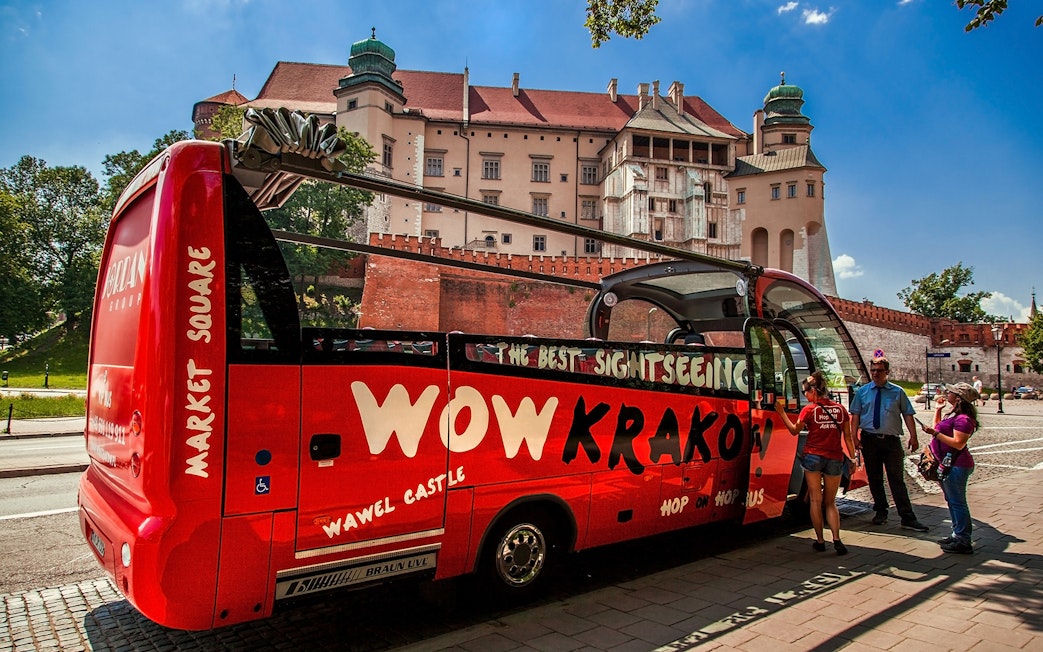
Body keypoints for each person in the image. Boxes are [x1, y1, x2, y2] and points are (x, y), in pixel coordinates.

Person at [775, 371, 859, 555]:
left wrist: (781, 413)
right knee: (830, 502)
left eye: (805, 392)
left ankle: (820, 541)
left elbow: (794, 431)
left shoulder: (809, 410)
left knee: (815, 499)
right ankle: (836, 539)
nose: (805, 395)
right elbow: (848, 437)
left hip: (813, 456)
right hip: (835, 457)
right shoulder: (840, 409)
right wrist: (853, 459)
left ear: (813, 391)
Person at [849, 356, 929, 531]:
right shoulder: (863, 392)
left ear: (887, 372)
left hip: (891, 441)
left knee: (896, 479)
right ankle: (880, 510)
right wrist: (854, 437)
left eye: (879, 371)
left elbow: (908, 414)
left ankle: (907, 517)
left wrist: (913, 436)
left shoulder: (897, 392)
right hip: (869, 439)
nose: (875, 374)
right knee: (874, 477)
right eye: (873, 370)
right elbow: (855, 415)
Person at [920, 382, 979, 553]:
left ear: (959, 398)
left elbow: (958, 443)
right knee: (952, 501)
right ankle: (957, 534)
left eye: (951, 392)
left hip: (957, 465)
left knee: (957, 502)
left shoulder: (964, 419)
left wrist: (935, 434)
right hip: (946, 464)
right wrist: (937, 410)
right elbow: (938, 428)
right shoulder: (952, 414)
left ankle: (963, 539)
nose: (947, 393)